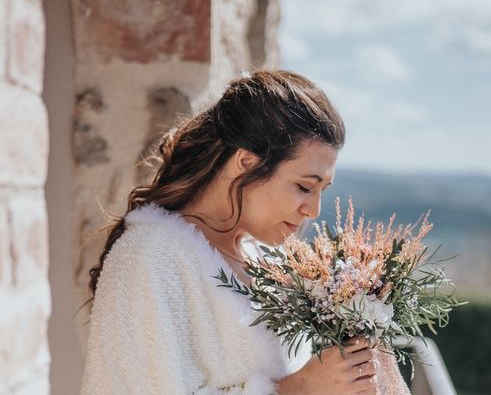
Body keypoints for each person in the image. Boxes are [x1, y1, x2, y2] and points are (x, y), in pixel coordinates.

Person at [80, 69, 381, 394]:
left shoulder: (265, 257)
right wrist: (297, 388)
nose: (314, 210)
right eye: (303, 186)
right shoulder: (149, 257)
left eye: (323, 190)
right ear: (247, 163)